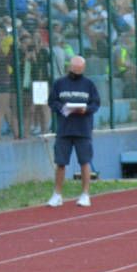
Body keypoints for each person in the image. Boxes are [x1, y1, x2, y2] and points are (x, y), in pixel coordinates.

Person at [46, 55, 100, 207]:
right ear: (69, 67)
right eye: (74, 68)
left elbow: (96, 103)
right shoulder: (59, 83)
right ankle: (57, 194)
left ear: (83, 69)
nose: (76, 71)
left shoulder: (89, 84)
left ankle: (85, 194)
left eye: (79, 69)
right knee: (61, 163)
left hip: (83, 130)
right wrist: (62, 108)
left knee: (84, 162)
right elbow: (52, 101)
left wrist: (86, 109)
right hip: (64, 129)